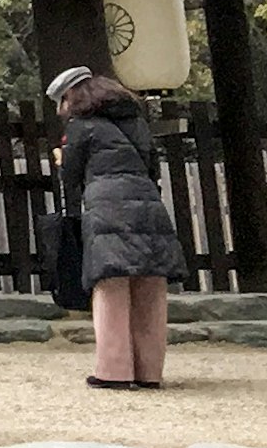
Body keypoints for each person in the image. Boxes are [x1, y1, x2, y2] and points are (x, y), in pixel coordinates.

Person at [51, 65, 185, 392]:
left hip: (107, 206)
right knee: (150, 287)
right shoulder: (136, 122)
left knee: (111, 284)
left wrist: (60, 160)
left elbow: (71, 175)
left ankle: (114, 370)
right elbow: (151, 164)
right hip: (148, 203)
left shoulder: (81, 127)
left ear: (71, 97)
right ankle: (149, 372)